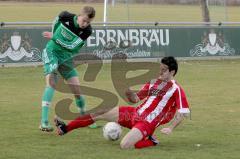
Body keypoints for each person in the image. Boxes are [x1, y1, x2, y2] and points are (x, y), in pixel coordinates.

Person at [54, 56, 190, 149]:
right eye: (160, 68)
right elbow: (135, 99)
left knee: (125, 145)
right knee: (100, 111)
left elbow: (183, 112)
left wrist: (171, 128)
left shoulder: (176, 89)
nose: (160, 72)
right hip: (133, 114)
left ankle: (151, 140)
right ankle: (64, 129)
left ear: (172, 71)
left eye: (164, 70)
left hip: (146, 123)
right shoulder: (154, 82)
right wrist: (129, 92)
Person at [40, 6, 97, 132]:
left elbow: (72, 46)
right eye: (84, 20)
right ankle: (44, 122)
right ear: (79, 15)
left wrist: (54, 37)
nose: (85, 24)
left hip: (66, 57)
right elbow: (55, 21)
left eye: (88, 22)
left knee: (77, 89)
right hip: (52, 52)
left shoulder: (87, 31)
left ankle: (84, 118)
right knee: (52, 83)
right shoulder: (65, 16)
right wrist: (54, 34)